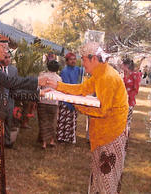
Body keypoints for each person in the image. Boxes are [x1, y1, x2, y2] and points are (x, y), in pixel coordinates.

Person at [0, 33, 48, 193]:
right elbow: (9, 83)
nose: (6, 51)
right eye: (3, 47)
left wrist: (36, 94)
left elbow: (10, 92)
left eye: (7, 48)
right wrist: (35, 81)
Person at [46, 42, 129, 193]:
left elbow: (103, 110)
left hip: (112, 134)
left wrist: (77, 104)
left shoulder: (107, 77)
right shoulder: (100, 73)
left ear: (94, 59)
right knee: (99, 176)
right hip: (104, 132)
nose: (82, 64)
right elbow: (82, 89)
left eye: (84, 60)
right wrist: (58, 86)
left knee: (106, 179)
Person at [57, 52, 83, 144]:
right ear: (67, 61)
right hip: (65, 98)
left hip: (74, 97)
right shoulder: (64, 71)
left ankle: (70, 137)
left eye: (74, 59)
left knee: (72, 118)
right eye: (71, 59)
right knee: (64, 118)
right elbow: (67, 86)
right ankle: (61, 137)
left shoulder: (78, 69)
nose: (73, 61)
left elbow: (85, 72)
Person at [37, 60, 62, 149]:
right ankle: (51, 140)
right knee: (52, 122)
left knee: (43, 121)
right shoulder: (59, 78)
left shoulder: (42, 76)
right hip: (53, 102)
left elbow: (38, 88)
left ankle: (44, 142)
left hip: (42, 101)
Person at [0, 52, 18, 148]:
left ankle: (7, 141)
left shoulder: (13, 70)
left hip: (10, 100)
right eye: (5, 57)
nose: (7, 59)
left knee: (8, 120)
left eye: (9, 57)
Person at [122, 58, 141, 135]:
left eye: (123, 65)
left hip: (129, 101)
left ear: (126, 65)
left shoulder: (135, 75)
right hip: (121, 100)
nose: (122, 66)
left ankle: (126, 137)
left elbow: (136, 89)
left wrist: (128, 96)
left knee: (127, 120)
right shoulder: (123, 74)